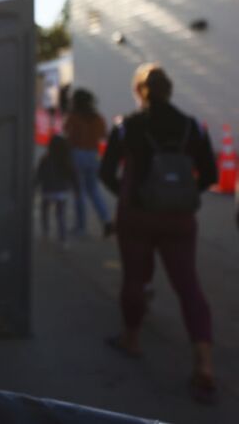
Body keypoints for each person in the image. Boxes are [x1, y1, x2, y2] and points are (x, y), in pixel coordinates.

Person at [99, 64, 218, 403]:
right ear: (170, 89)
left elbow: (106, 172)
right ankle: (205, 363)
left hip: (137, 216)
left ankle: (131, 339)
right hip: (179, 219)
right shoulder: (191, 127)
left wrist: (129, 194)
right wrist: (183, 194)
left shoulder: (127, 127)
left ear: (140, 91)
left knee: (135, 278)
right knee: (188, 285)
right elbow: (208, 173)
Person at [64, 88, 113, 236]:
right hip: (93, 155)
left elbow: (68, 135)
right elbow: (104, 135)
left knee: (80, 192)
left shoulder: (73, 117)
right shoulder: (98, 118)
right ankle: (106, 220)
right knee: (93, 190)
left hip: (77, 154)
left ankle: (81, 227)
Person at [34, 135, 77, 245]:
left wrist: (33, 187)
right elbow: (73, 176)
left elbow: (38, 176)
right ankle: (63, 239)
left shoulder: (45, 160)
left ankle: (45, 232)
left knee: (45, 210)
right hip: (62, 192)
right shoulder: (67, 160)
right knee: (60, 215)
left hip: (47, 190)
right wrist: (76, 189)